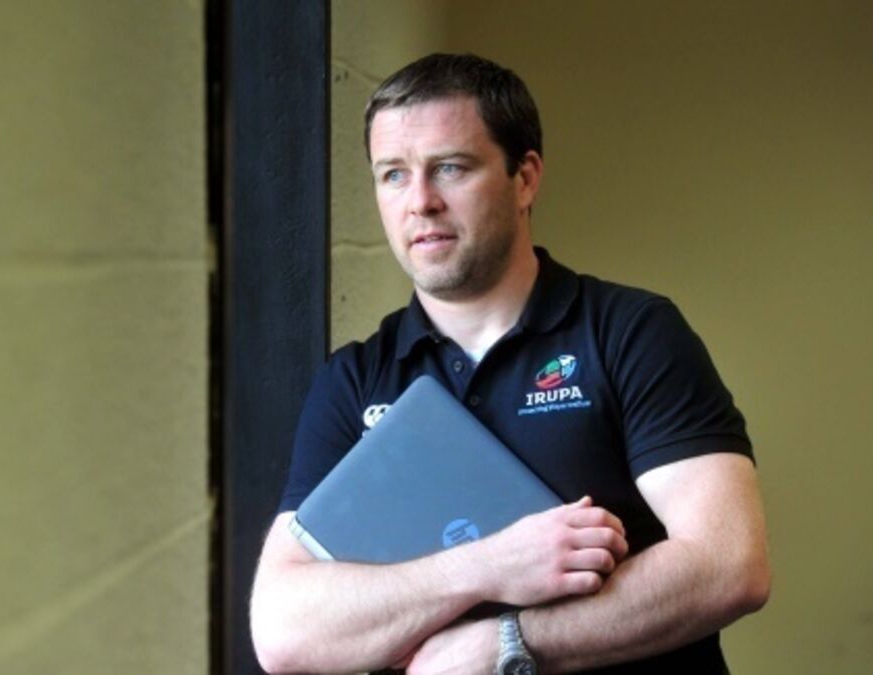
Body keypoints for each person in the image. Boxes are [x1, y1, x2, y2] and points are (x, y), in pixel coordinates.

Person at [250, 53, 770, 674]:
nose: (420, 201)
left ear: (524, 179)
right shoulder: (355, 379)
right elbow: (283, 631)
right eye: (393, 175)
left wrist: (503, 645)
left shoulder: (630, 333)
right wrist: (487, 566)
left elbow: (729, 564)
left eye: (450, 168)